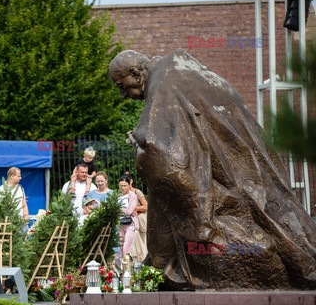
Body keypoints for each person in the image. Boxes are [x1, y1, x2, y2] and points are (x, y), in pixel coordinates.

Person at [109, 49, 316, 289]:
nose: (124, 95)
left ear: (136, 73)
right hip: (239, 145)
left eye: (123, 86)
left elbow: (159, 146)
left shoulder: (162, 82)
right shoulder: (175, 66)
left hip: (229, 156)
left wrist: (139, 145)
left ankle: (172, 268)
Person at [125, 172, 148, 263]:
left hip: (137, 221)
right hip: (127, 222)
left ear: (131, 182)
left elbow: (145, 206)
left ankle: (142, 265)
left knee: (140, 246)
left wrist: (134, 208)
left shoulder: (137, 192)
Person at [118, 174, 139, 258]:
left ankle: (128, 269)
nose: (122, 188)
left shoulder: (133, 195)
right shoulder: (118, 196)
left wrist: (118, 210)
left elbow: (129, 211)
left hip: (130, 224)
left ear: (129, 185)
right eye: (121, 186)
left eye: (125, 186)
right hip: (119, 224)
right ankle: (120, 270)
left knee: (127, 248)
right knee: (119, 248)